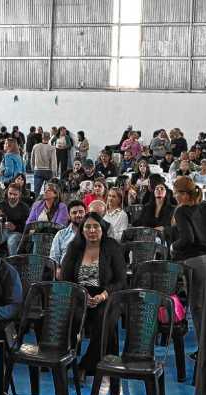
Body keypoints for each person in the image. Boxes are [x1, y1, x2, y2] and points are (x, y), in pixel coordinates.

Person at [60, 212, 126, 378]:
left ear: (102, 229)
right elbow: (66, 279)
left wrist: (103, 295)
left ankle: (86, 365)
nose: (92, 230)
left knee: (103, 318)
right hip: (80, 295)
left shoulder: (112, 246)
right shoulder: (74, 248)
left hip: (107, 295)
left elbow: (121, 280)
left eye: (95, 226)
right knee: (73, 317)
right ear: (82, 230)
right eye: (87, 226)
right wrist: (81, 295)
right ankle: (67, 358)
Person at [170, 177, 206, 261]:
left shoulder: (181, 211)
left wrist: (173, 246)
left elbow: (188, 239)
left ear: (184, 194)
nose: (174, 196)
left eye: (175, 193)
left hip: (192, 259)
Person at [0, 183, 30, 255]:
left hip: (18, 233)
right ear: (7, 193)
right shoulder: (0, 205)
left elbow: (27, 227)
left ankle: (13, 263)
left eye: (15, 194)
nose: (12, 196)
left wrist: (15, 227)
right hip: (2, 231)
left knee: (11, 241)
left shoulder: (24, 208)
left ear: (19, 194)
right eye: (10, 194)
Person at [49, 200, 86, 264]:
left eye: (81, 212)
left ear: (85, 213)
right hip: (64, 271)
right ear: (69, 216)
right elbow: (53, 258)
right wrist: (58, 270)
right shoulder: (61, 234)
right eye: (74, 213)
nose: (78, 215)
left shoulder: (92, 233)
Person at [30, 132, 57, 196]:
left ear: (42, 137)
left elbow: (32, 159)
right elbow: (54, 161)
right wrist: (54, 172)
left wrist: (33, 168)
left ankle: (36, 204)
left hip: (38, 170)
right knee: (48, 191)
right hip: (48, 171)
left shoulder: (36, 146)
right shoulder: (52, 148)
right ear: (49, 138)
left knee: (36, 191)